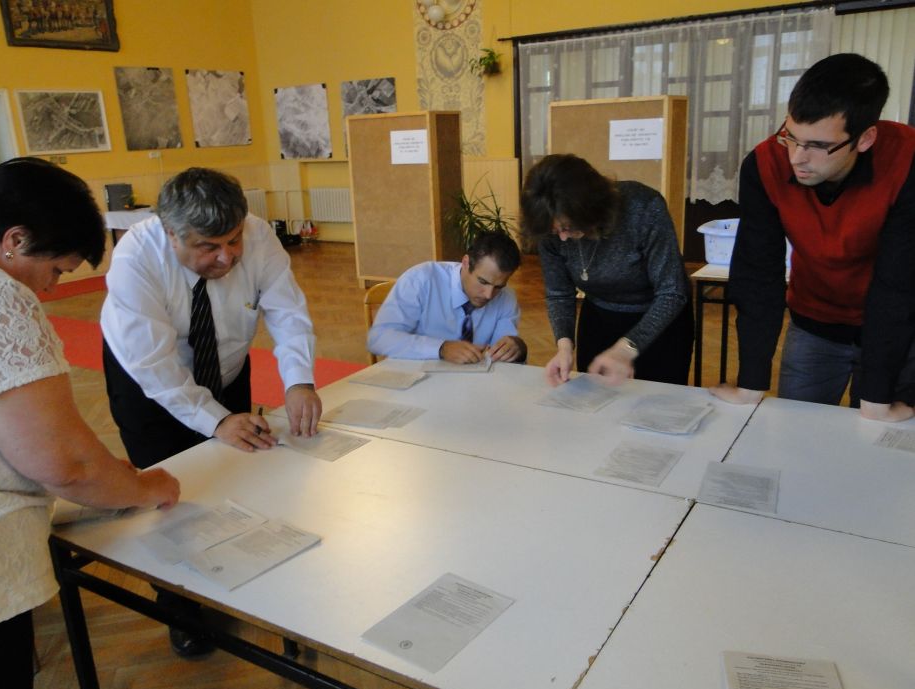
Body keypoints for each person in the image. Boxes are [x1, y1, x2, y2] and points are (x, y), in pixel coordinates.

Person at [100, 167, 321, 655]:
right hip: (148, 383)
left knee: (235, 475)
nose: (227, 256)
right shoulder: (136, 258)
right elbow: (153, 364)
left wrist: (299, 380)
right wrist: (215, 420)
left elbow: (287, 310)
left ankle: (233, 575)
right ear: (170, 232)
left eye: (233, 240)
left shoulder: (257, 235)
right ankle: (181, 607)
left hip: (225, 365)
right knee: (169, 494)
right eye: (208, 247)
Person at [0, 158, 180, 689]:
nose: (49, 288)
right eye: (56, 270)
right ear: (15, 241)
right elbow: (63, 463)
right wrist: (141, 486)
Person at [709, 53, 915, 422]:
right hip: (814, 321)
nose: (797, 158)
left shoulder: (906, 160)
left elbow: (898, 283)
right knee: (797, 431)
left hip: (898, 327)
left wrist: (877, 396)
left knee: (877, 434)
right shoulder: (765, 162)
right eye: (791, 137)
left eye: (818, 146)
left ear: (865, 138)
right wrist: (751, 382)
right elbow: (758, 272)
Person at [520, 154, 693, 387]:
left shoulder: (643, 207)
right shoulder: (548, 225)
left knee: (657, 401)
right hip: (600, 319)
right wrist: (564, 346)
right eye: (555, 231)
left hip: (660, 322)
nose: (562, 238)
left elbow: (672, 291)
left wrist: (626, 349)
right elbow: (559, 293)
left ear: (589, 207)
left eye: (567, 227)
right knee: (595, 399)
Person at [367, 230, 527, 364]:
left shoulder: (506, 297)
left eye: (498, 286)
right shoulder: (421, 280)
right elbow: (379, 339)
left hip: (474, 387)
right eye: (483, 281)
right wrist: (441, 348)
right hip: (418, 382)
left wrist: (516, 348)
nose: (489, 294)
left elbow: (503, 355)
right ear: (466, 263)